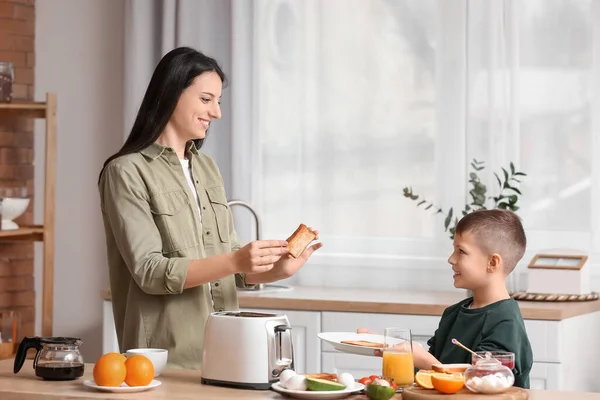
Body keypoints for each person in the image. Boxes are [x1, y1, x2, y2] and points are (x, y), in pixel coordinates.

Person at [98, 47, 322, 369]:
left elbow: (230, 268)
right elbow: (149, 271)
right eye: (206, 100)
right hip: (163, 361)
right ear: (172, 93)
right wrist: (235, 259)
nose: (216, 113)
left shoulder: (206, 168)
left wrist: (278, 270)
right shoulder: (126, 171)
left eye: (218, 101)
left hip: (223, 352)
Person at [359, 209, 533, 388]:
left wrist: (420, 358)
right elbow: (428, 379)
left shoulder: (505, 323)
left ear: (492, 263)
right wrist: (393, 349)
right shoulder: (453, 313)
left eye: (461, 251)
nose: (451, 259)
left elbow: (483, 385)